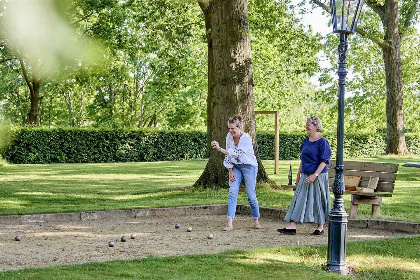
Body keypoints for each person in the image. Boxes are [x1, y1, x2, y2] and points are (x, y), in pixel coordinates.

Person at [278, 116, 332, 235]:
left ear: (316, 126)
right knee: (298, 199)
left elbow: (324, 161)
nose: (306, 127)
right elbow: (303, 160)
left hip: (318, 176)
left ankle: (320, 227)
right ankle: (292, 226)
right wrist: (298, 175)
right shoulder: (305, 142)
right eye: (306, 124)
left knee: (318, 201)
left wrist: (315, 175)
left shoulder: (322, 142)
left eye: (309, 125)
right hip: (305, 175)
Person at [211, 115, 261, 231]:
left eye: (232, 128)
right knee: (232, 193)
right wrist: (230, 170)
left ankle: (256, 219)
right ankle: (229, 223)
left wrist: (219, 148)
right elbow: (229, 156)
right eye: (229, 128)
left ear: (239, 128)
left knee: (251, 195)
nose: (230, 131)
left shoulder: (246, 139)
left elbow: (235, 153)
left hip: (249, 167)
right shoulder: (229, 136)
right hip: (236, 167)